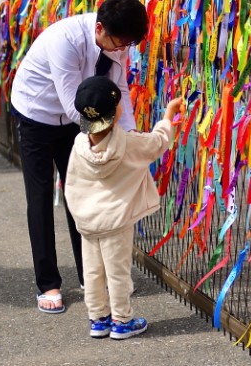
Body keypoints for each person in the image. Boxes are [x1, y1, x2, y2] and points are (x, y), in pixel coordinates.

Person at [10, 0, 148, 314]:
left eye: (127, 44)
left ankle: (91, 277)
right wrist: (109, 136)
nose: (121, 49)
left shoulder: (117, 40)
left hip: (77, 117)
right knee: (41, 196)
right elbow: (75, 104)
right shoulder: (66, 40)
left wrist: (130, 135)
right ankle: (48, 284)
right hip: (37, 115)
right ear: (99, 28)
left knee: (83, 197)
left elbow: (119, 90)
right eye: (118, 43)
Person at [65, 76, 182, 339]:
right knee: (117, 272)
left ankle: (98, 319)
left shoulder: (79, 145)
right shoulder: (128, 144)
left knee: (93, 272)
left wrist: (79, 213)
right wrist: (168, 115)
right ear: (116, 111)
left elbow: (71, 182)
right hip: (115, 222)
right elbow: (158, 142)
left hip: (87, 221)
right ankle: (122, 320)